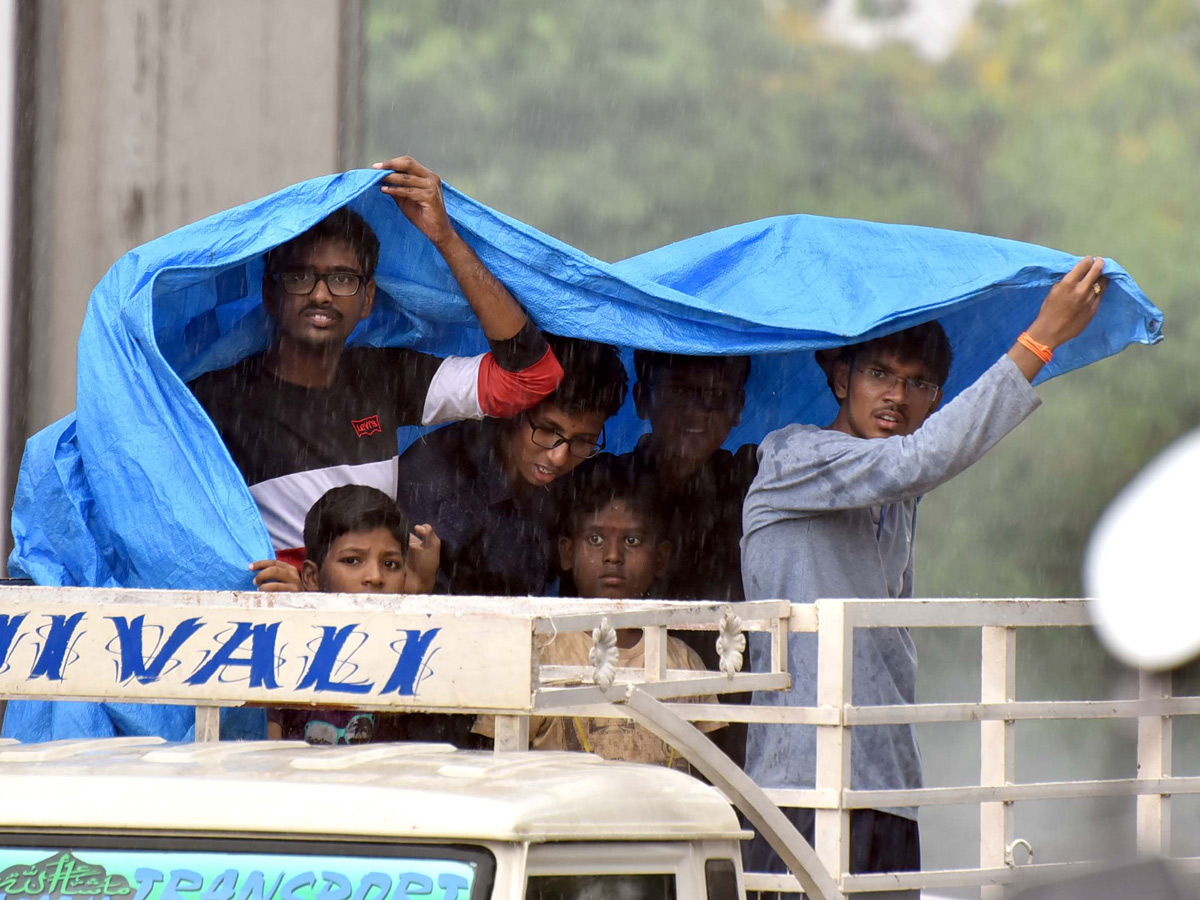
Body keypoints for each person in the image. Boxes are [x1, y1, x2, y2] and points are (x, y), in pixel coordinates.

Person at [740, 258, 1109, 891]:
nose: (897, 396)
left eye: (918, 384)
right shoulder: (792, 456)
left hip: (888, 780)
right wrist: (1037, 341)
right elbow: (918, 459)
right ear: (838, 376)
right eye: (880, 373)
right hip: (800, 779)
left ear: (935, 396)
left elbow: (911, 467)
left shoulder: (899, 494)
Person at [189, 157, 563, 566]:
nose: (321, 295)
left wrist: (445, 239)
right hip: (274, 624)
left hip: (379, 621)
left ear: (368, 299)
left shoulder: (385, 376)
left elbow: (528, 377)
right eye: (300, 277)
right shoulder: (212, 401)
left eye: (343, 279)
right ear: (270, 292)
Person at [474, 455, 720, 768]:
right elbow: (493, 765)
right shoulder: (537, 654)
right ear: (567, 552)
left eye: (632, 540)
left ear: (661, 558)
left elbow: (709, 778)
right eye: (596, 539)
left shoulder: (684, 663)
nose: (613, 556)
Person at [394, 335, 628, 596]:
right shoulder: (435, 483)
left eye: (584, 440)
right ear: (512, 408)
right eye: (547, 430)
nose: (559, 457)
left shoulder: (582, 480)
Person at [625, 351, 756, 767]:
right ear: (642, 400)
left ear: (738, 409)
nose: (698, 411)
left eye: (717, 397)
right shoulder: (603, 485)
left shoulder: (753, 482)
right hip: (618, 696)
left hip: (730, 700)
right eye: (679, 393)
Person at [265, 484, 439, 744]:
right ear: (312, 577)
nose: (375, 577)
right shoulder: (285, 653)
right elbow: (270, 760)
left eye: (390, 564)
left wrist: (422, 589)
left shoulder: (413, 648)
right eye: (352, 561)